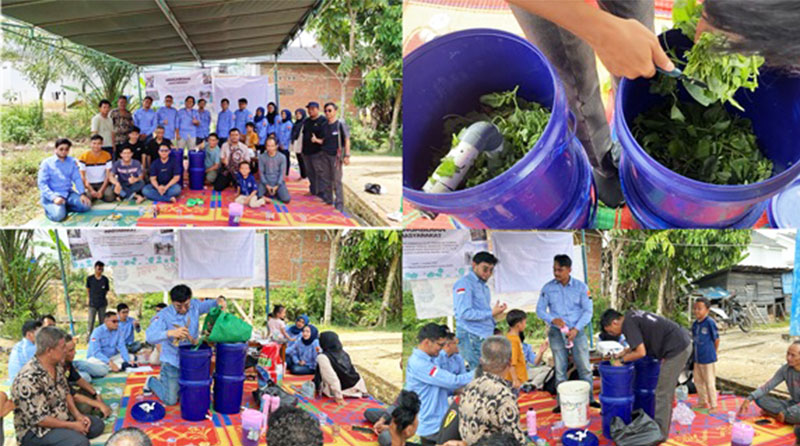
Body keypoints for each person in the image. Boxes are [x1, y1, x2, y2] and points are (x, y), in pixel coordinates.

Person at [601, 309, 692, 441]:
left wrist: (621, 361)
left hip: (677, 349)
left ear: (615, 322)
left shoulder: (628, 324)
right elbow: (640, 342)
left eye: (610, 331)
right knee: (664, 390)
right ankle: (658, 425)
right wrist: (623, 353)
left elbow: (641, 353)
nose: (612, 334)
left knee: (662, 392)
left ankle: (660, 434)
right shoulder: (631, 316)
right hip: (679, 342)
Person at [11, 326, 105, 446]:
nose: (66, 351)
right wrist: (72, 426)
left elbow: (66, 393)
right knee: (80, 442)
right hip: (37, 430)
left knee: (97, 425)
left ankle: (68, 434)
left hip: (60, 416)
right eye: (62, 347)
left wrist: (78, 415)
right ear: (49, 351)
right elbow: (41, 419)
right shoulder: (28, 379)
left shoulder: (57, 366)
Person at [537, 254, 597, 412]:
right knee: (560, 368)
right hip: (557, 333)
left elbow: (588, 311)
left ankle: (589, 399)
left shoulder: (581, 287)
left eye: (560, 270)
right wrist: (552, 320)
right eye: (554, 269)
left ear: (569, 270)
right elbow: (540, 310)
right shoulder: (548, 288)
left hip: (578, 332)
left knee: (584, 367)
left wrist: (576, 329)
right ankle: (561, 403)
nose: (556, 273)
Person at [144, 285, 223, 405]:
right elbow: (150, 337)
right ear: (172, 302)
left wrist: (220, 301)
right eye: (178, 306)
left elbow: (213, 304)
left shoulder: (195, 306)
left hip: (191, 359)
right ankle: (151, 381)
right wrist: (170, 333)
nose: (183, 309)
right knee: (170, 400)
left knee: (191, 394)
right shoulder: (164, 315)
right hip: (172, 361)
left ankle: (174, 384)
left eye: (186, 305)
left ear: (190, 299)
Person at [405, 323, 473, 445]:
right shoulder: (420, 364)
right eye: (440, 345)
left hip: (438, 417)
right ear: (427, 342)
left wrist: (455, 391)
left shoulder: (431, 359)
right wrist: (480, 372)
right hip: (431, 423)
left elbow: (437, 388)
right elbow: (453, 381)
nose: (441, 349)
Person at [458, 336, 527, 446]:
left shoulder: (469, 386)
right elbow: (515, 441)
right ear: (509, 362)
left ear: (481, 360)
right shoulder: (504, 397)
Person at [453, 251, 506, 371]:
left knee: (487, 370)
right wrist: (491, 313)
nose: (487, 274)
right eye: (485, 269)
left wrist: (495, 316)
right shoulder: (465, 284)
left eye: (491, 270)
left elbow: (481, 312)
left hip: (482, 334)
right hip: (471, 334)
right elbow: (464, 313)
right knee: (478, 371)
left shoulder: (483, 286)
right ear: (474, 265)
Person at [738, 341, 800, 426]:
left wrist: (790, 411)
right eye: (787, 354)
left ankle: (777, 415)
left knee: (792, 413)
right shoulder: (785, 369)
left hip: (796, 409)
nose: (788, 358)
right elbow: (767, 386)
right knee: (760, 399)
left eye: (793, 355)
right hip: (792, 404)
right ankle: (784, 416)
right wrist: (749, 398)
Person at [38, 138, 92, 222]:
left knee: (86, 206)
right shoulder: (46, 163)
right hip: (53, 195)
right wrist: (53, 198)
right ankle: (50, 208)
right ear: (55, 149)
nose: (64, 151)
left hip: (67, 193)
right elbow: (42, 184)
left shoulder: (72, 161)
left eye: (66, 149)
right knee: (58, 216)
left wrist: (82, 193)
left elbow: (77, 178)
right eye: (61, 149)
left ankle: (64, 206)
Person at [312, 102, 350, 211]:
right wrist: (316, 140)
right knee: (326, 179)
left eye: (330, 110)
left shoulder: (340, 124)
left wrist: (347, 155)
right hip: (325, 155)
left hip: (336, 157)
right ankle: (329, 199)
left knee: (337, 180)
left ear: (335, 111)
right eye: (325, 111)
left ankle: (339, 204)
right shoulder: (324, 125)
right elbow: (324, 140)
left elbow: (347, 140)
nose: (327, 113)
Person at [63, 334, 112, 419]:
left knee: (89, 391)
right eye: (70, 351)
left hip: (69, 394)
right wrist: (98, 404)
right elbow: (71, 394)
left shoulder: (67, 363)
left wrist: (95, 394)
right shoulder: (55, 368)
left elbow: (79, 379)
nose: (75, 352)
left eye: (74, 349)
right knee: (84, 407)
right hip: (64, 399)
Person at [314, 331, 369, 404]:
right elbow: (353, 371)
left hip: (341, 390)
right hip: (355, 386)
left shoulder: (322, 357)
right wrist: (363, 390)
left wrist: (338, 397)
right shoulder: (343, 353)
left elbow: (331, 378)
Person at [692, 297, 719, 410]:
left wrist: (714, 352)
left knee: (709, 382)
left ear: (707, 310)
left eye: (700, 308)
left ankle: (713, 405)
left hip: (708, 358)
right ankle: (703, 402)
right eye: (695, 308)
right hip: (697, 358)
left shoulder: (710, 323)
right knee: (698, 381)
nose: (697, 311)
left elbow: (716, 339)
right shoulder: (695, 324)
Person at [86, 311, 134, 377]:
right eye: (114, 321)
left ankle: (111, 367)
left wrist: (128, 360)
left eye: (118, 321)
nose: (117, 324)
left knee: (131, 357)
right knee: (91, 362)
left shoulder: (118, 330)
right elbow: (96, 352)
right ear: (106, 321)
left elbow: (122, 347)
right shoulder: (97, 332)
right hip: (99, 358)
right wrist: (110, 362)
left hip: (112, 357)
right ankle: (119, 366)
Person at [78, 134, 115, 203]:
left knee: (110, 197)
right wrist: (91, 190)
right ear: (90, 144)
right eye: (94, 143)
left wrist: (101, 190)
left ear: (102, 144)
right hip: (89, 184)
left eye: (99, 144)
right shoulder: (84, 156)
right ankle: (95, 195)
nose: (96, 146)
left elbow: (108, 175)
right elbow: (82, 176)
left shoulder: (107, 155)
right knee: (87, 198)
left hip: (102, 183)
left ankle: (99, 195)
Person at [302, 102, 326, 197]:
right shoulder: (306, 121)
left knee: (319, 173)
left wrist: (317, 140)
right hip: (306, 151)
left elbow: (326, 138)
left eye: (313, 109)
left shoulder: (323, 121)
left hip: (318, 152)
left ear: (317, 109)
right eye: (309, 109)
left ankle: (322, 192)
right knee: (310, 172)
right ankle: (313, 190)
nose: (310, 111)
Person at [258, 137, 291, 204]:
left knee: (286, 199)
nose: (270, 148)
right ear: (266, 146)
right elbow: (261, 172)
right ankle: (268, 192)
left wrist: (277, 185)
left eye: (272, 146)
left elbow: (282, 173)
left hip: (277, 181)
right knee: (258, 196)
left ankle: (275, 192)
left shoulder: (282, 157)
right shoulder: (261, 157)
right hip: (266, 181)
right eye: (268, 146)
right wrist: (266, 184)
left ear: (276, 146)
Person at [504, 310, 528, 389]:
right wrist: (515, 379)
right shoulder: (513, 341)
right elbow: (511, 362)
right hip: (512, 379)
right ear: (518, 325)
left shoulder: (511, 337)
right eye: (525, 322)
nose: (525, 325)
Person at [86, 261, 109, 341]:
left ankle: (102, 338)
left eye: (102, 269)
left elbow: (106, 290)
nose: (100, 270)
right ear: (95, 268)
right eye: (99, 268)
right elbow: (88, 290)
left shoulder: (105, 279)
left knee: (102, 322)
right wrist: (90, 299)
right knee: (90, 322)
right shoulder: (90, 279)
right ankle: (89, 339)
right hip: (92, 304)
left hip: (102, 304)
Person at [291, 108, 308, 179]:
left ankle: (305, 175)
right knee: (299, 159)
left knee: (303, 160)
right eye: (296, 114)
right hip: (297, 143)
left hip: (303, 144)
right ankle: (302, 175)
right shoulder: (296, 123)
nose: (297, 115)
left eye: (299, 114)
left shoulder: (305, 123)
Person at [278, 109, 293, 175]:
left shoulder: (288, 123)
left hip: (285, 145)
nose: (282, 115)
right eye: (282, 114)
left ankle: (286, 172)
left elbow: (287, 135)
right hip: (279, 144)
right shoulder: (281, 123)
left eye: (284, 114)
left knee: (286, 158)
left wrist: (283, 143)